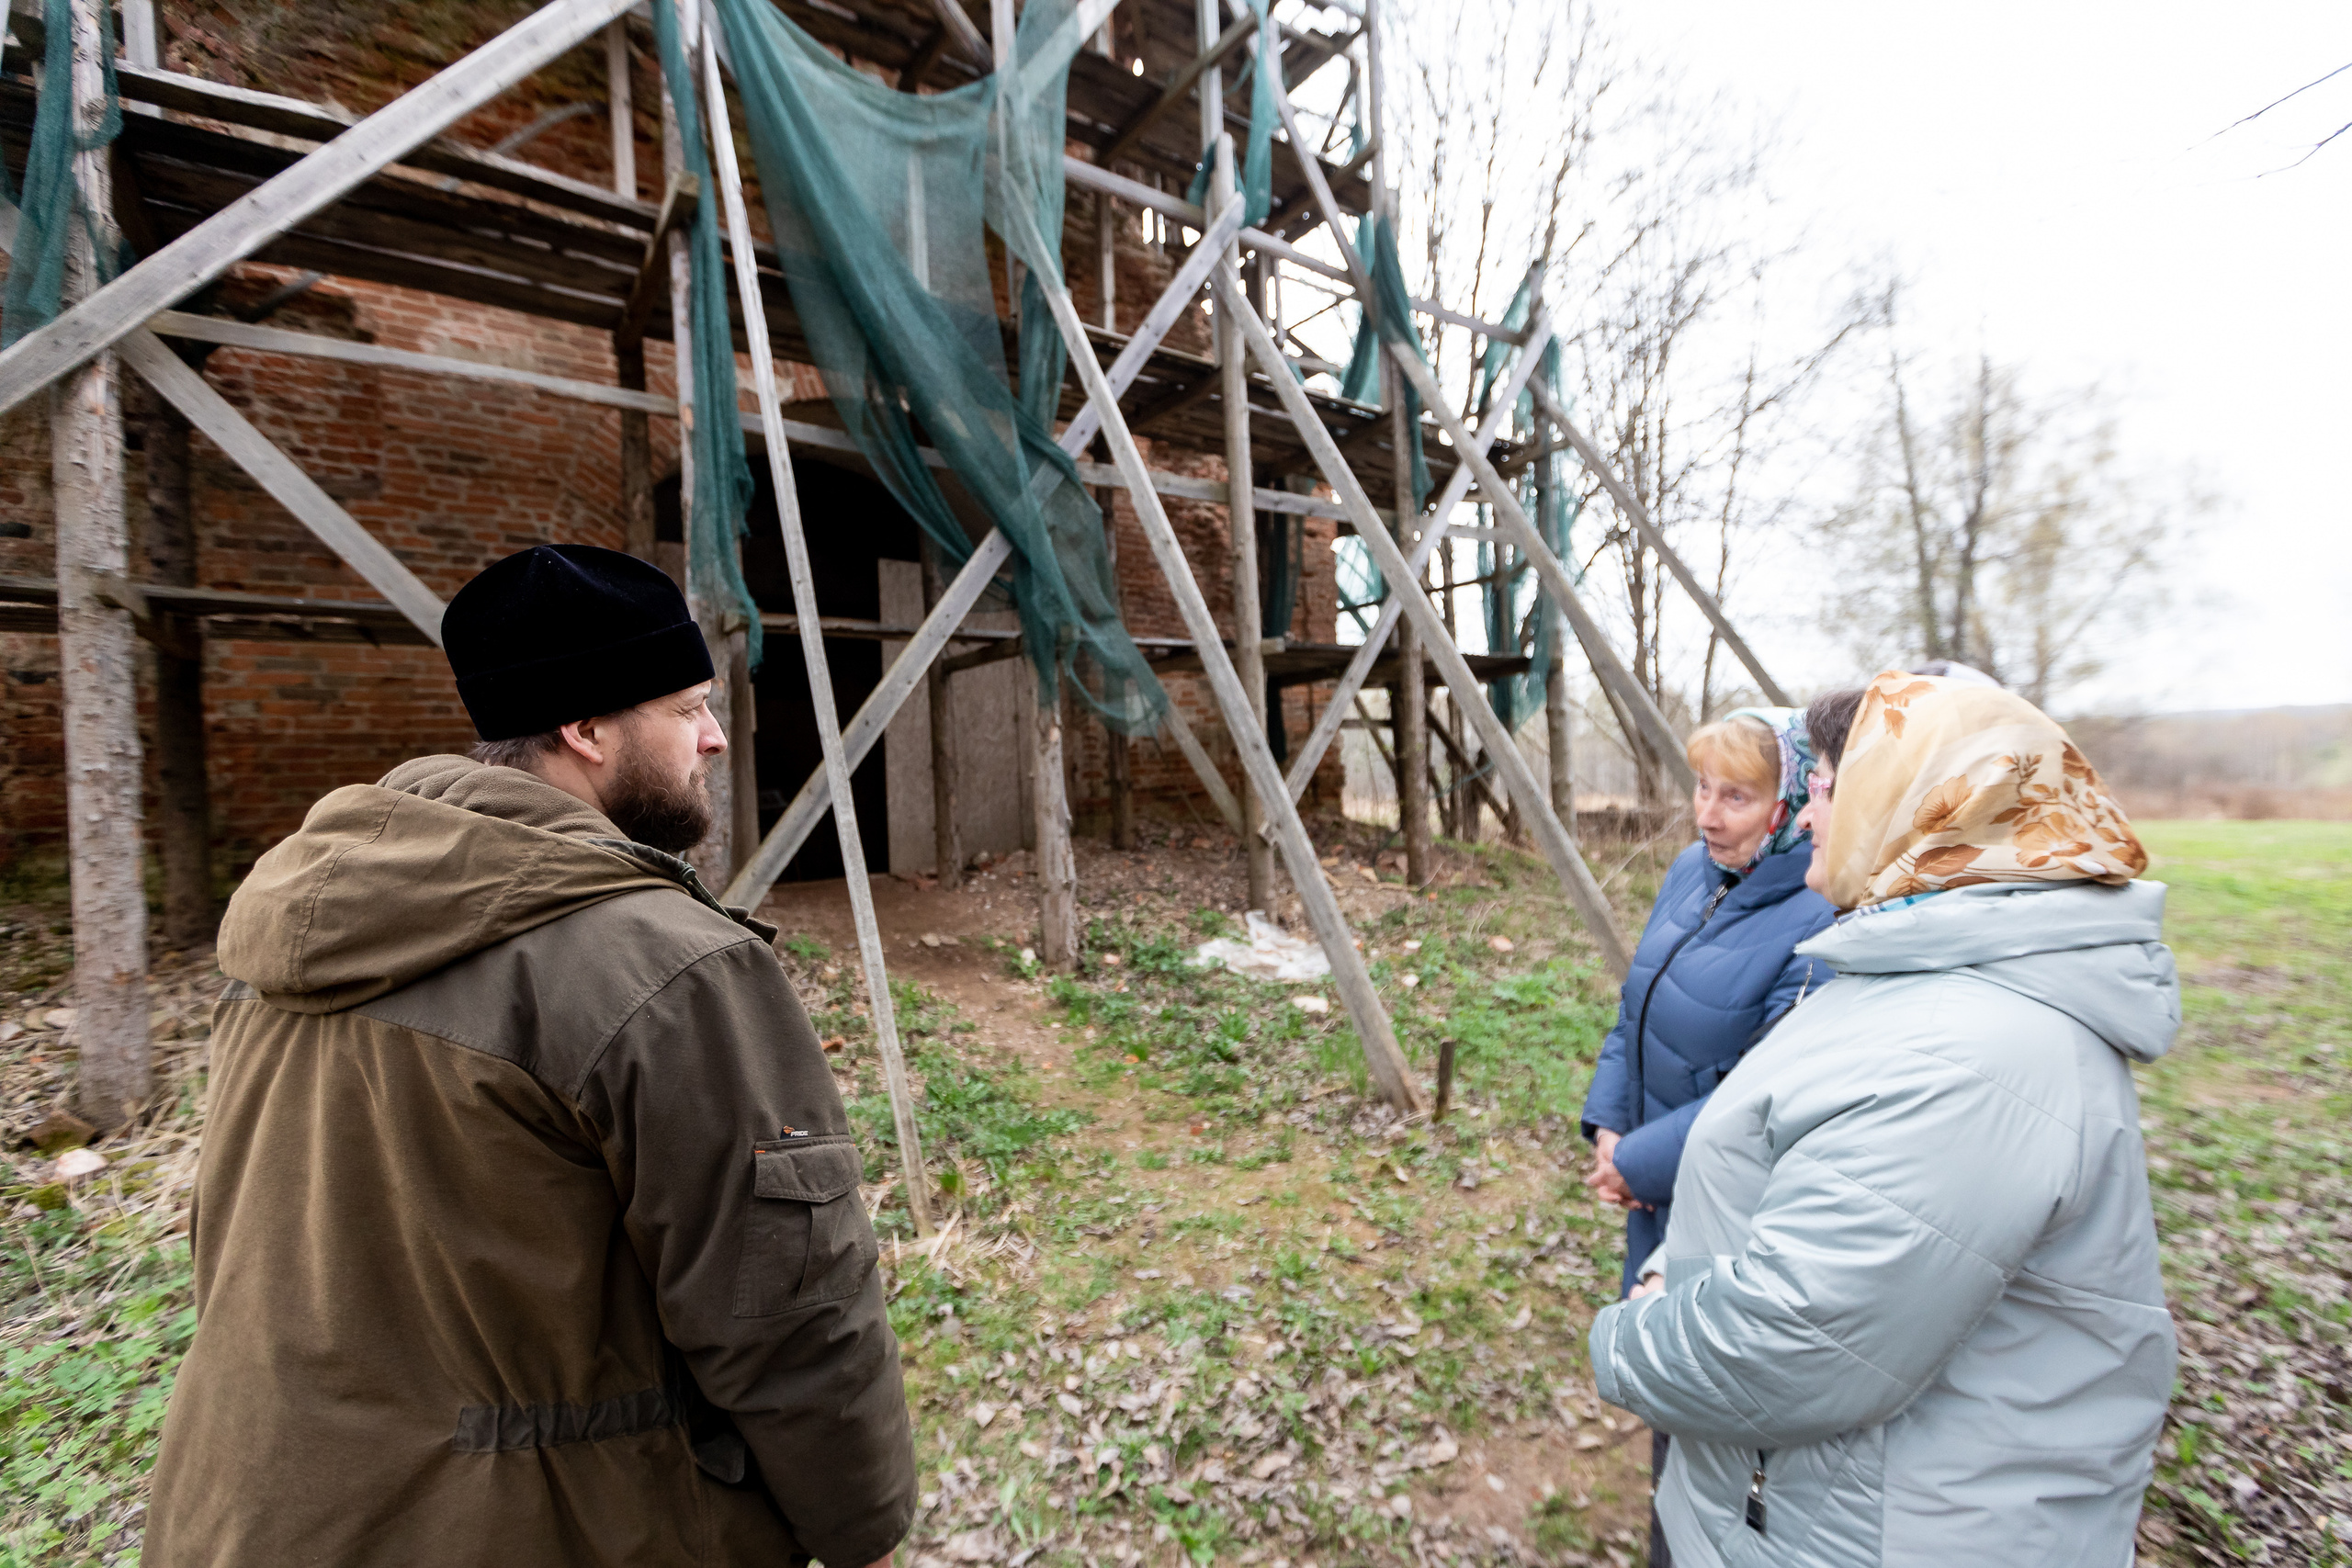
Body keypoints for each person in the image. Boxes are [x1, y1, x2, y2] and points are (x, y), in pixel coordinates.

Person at [149, 545, 915, 1568]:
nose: (717, 736)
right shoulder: (664, 968)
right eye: (687, 707)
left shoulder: (285, 937)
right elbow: (784, 1312)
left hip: (242, 1510)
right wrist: (861, 1528)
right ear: (586, 728)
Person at [1589, 670, 2177, 1567]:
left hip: (1884, 1530)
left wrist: (1624, 1336)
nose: (1810, 818)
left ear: (1913, 806)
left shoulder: (1966, 1056)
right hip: (1809, 1506)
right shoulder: (1906, 972)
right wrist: (1683, 1255)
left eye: (1826, 789)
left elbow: (1788, 1348)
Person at [1578, 708, 1837, 1566]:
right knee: (1666, 1392)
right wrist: (1610, 1124)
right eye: (1702, 787)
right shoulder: (1695, 869)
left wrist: (1636, 1164)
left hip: (1724, 1209)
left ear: (1789, 805)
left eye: (1737, 796)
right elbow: (1637, 1005)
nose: (1707, 813)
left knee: (1709, 1417)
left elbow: (1759, 1097)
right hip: (1653, 1185)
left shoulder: (1817, 918)